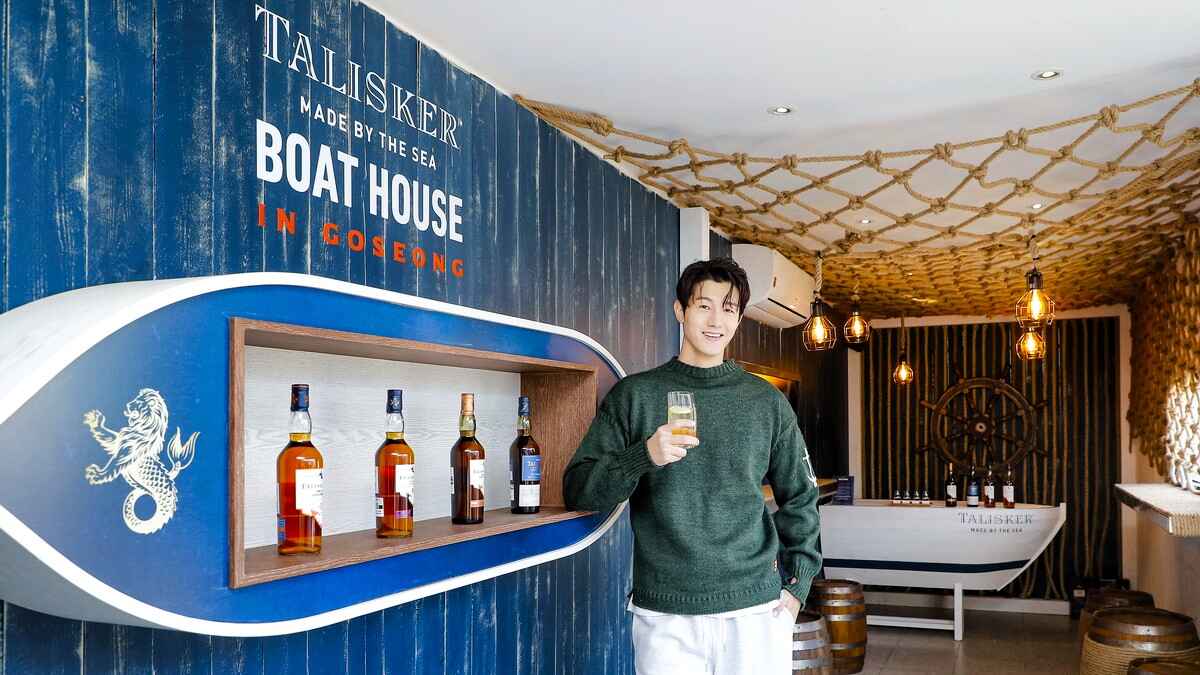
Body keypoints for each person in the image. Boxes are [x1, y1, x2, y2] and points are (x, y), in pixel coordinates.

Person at [563, 257, 822, 674]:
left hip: (755, 610)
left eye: (729, 308)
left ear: (739, 319)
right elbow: (579, 490)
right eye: (704, 305)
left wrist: (797, 586)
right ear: (680, 310)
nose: (716, 319)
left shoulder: (766, 403)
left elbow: (801, 496)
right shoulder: (636, 396)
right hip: (666, 615)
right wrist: (642, 456)